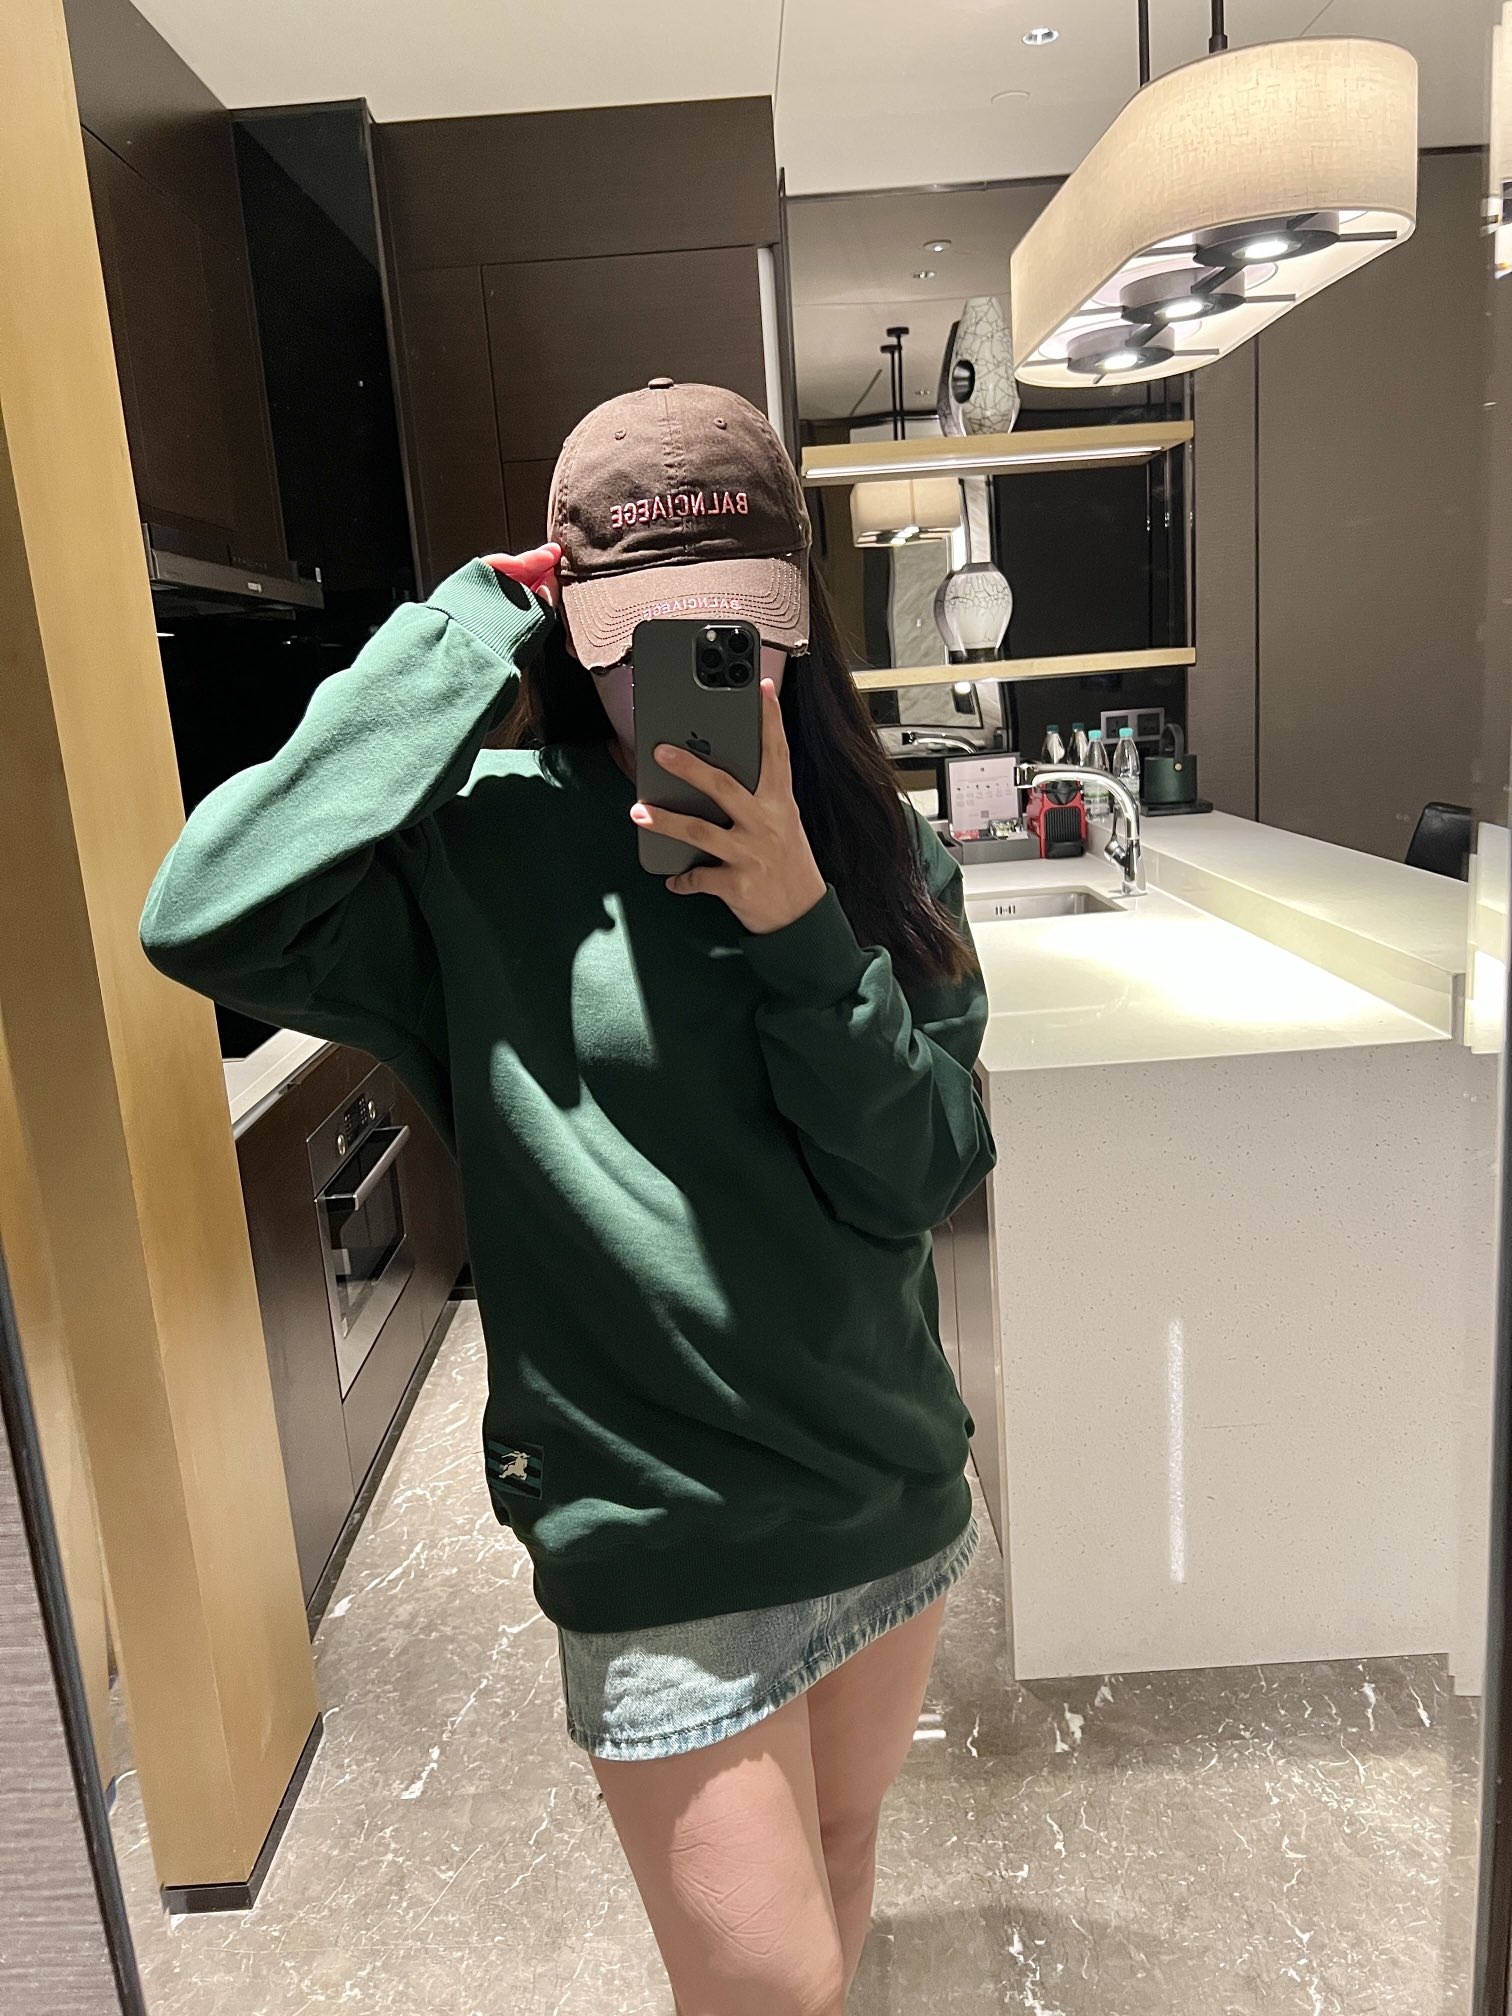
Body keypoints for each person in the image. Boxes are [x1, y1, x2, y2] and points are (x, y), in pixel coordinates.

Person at [139, 378, 997, 2015]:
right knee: (776, 1984)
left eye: (728, 627)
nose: (678, 669)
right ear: (569, 620)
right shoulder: (478, 856)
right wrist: (465, 621)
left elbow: (919, 1178)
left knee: (845, 1851)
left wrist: (803, 925)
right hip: (657, 1534)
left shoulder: (886, 860)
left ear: (794, 616)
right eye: (628, 634)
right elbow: (205, 914)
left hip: (885, 1484)